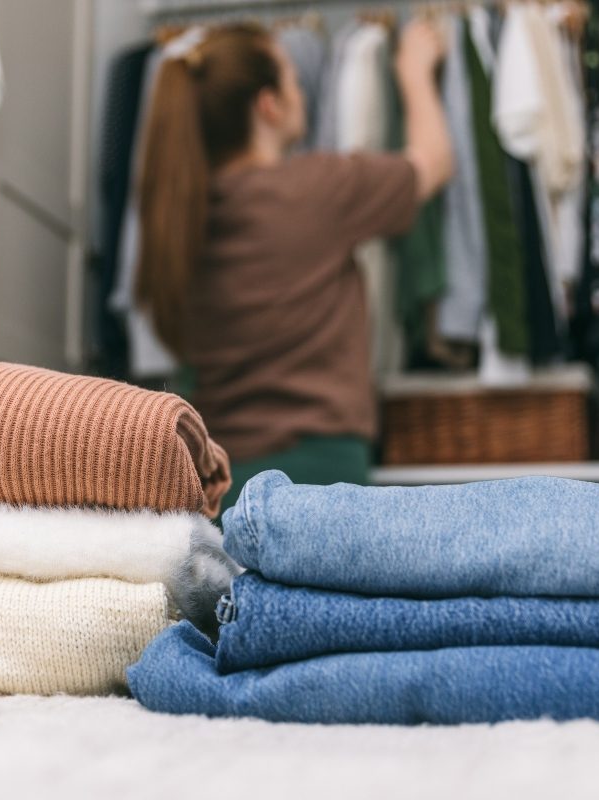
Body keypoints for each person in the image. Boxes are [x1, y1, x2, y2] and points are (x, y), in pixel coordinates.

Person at [136, 20, 453, 513]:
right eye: (290, 75)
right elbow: (431, 163)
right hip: (321, 480)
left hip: (215, 484)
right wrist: (414, 71)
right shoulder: (318, 189)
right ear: (268, 105)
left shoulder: (179, 218)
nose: (301, 88)